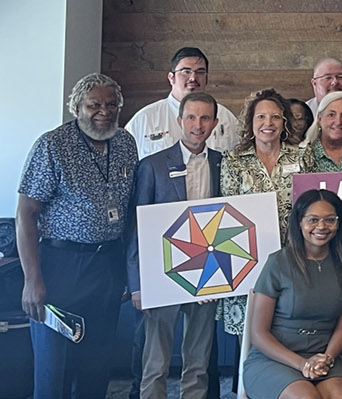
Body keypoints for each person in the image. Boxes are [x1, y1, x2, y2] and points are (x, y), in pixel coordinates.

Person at [19, 73, 137, 399]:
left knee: (96, 366)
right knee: (52, 369)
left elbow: (128, 212)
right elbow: (26, 213)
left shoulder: (126, 143)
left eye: (112, 104)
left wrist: (128, 272)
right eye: (94, 104)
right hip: (61, 266)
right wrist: (32, 280)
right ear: (77, 107)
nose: (104, 111)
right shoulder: (52, 145)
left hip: (108, 265)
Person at [128, 92, 224, 399]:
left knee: (198, 363)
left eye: (205, 118)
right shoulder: (153, 166)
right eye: (192, 117)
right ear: (179, 121)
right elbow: (136, 228)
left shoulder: (223, 165)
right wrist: (136, 284)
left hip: (208, 272)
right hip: (162, 273)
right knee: (156, 363)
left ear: (215, 123)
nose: (198, 125)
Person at [242, 189, 342, 399]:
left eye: (330, 220)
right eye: (313, 220)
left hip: (324, 358)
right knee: (306, 397)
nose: (322, 227)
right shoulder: (278, 262)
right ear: (299, 222)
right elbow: (259, 334)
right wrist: (302, 364)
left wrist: (326, 359)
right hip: (274, 360)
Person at [220, 88, 316, 336]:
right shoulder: (234, 160)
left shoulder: (302, 156)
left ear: (284, 121)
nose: (268, 123)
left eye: (275, 117)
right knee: (251, 338)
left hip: (295, 258)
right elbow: (227, 212)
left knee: (289, 332)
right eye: (261, 117)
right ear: (250, 122)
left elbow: (314, 204)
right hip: (248, 260)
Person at [125, 47, 244, 158]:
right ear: (171, 78)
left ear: (207, 78)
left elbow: (240, 160)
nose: (193, 78)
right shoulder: (145, 119)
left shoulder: (224, 117)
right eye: (186, 71)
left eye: (200, 72)